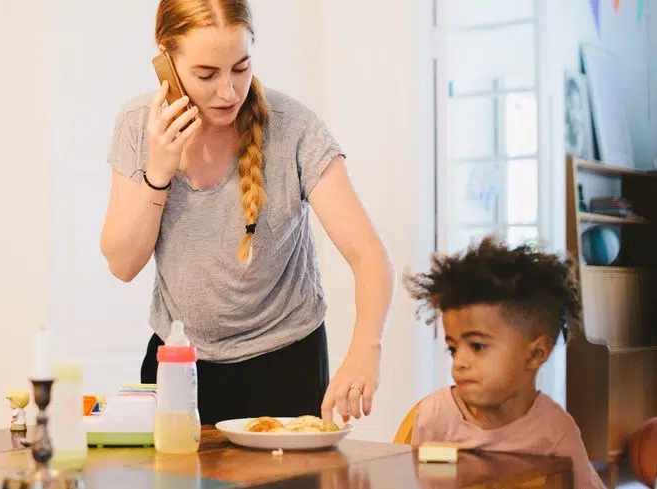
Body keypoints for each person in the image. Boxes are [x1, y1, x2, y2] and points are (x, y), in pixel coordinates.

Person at [100, 0, 393, 425]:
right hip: (179, 363)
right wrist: (159, 172)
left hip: (285, 363)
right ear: (165, 59)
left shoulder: (295, 127)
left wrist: (366, 349)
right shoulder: (137, 124)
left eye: (241, 67)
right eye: (206, 74)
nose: (228, 92)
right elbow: (122, 264)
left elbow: (370, 256)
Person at [404, 236, 605, 489]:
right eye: (453, 348)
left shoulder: (555, 433)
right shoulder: (434, 417)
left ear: (536, 354)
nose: (459, 363)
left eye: (477, 346)